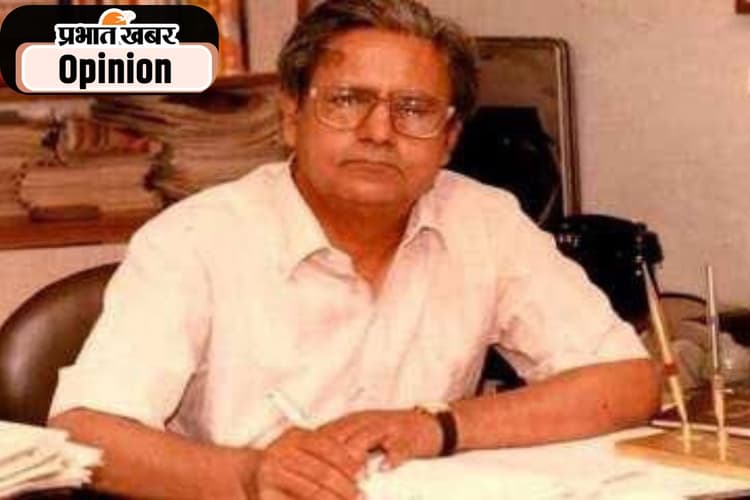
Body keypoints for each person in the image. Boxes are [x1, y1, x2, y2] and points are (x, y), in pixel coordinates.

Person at [48, 0, 660, 498]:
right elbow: (84, 432)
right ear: (291, 116)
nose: (379, 131)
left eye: (414, 109)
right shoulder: (194, 239)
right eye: (346, 101)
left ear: (449, 138)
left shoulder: (484, 220)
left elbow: (629, 381)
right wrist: (249, 477)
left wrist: (439, 427)